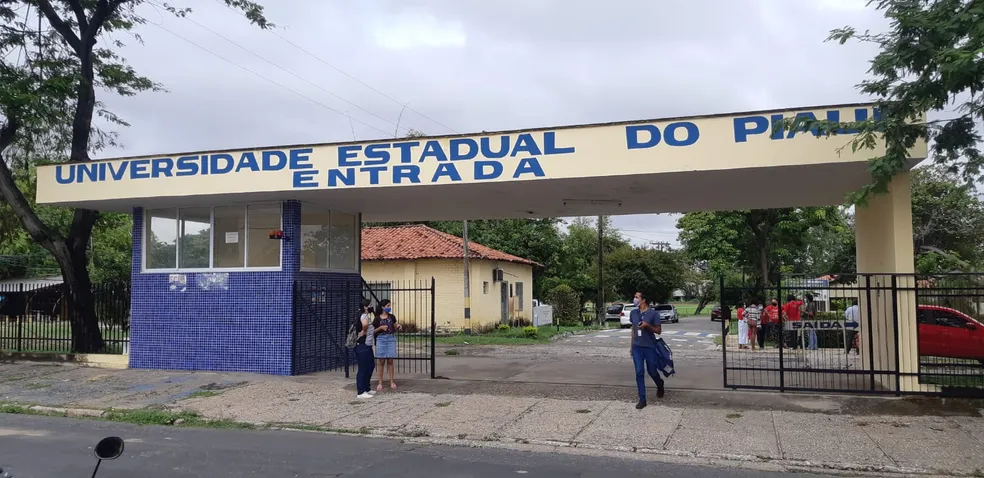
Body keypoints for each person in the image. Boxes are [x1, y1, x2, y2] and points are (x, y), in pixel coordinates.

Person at [629, 290, 664, 409]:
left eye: (637, 297)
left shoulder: (653, 314)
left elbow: (658, 331)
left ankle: (660, 384)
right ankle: (642, 399)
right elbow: (633, 329)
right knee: (639, 372)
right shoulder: (633, 313)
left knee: (652, 371)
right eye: (634, 297)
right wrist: (631, 346)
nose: (634, 299)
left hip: (649, 346)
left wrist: (647, 325)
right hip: (637, 347)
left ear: (643, 300)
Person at [373, 299, 401, 391]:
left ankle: (392, 381)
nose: (389, 307)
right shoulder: (377, 318)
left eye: (390, 305)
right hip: (381, 339)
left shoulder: (392, 317)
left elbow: (395, 327)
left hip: (391, 339)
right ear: (383, 307)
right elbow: (372, 331)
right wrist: (380, 328)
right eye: (388, 306)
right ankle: (380, 382)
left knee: (390, 361)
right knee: (381, 361)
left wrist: (398, 326)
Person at [354, 298, 376, 399]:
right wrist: (364, 330)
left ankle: (367, 388)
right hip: (363, 345)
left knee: (370, 365)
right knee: (363, 368)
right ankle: (361, 391)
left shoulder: (366, 316)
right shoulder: (364, 316)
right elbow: (365, 325)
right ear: (365, 307)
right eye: (369, 305)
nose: (371, 306)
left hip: (368, 345)